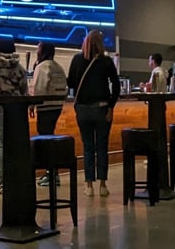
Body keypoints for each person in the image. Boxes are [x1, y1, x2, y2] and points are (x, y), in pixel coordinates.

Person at [67, 28, 120, 196]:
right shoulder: (106, 61)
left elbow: (70, 83)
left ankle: (89, 185)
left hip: (82, 109)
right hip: (102, 108)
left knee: (88, 146)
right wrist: (111, 106)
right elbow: (116, 85)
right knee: (102, 146)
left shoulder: (77, 59)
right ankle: (103, 184)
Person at [0, 38, 28, 193]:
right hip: (17, 111)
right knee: (14, 146)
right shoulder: (20, 69)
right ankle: (14, 181)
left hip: (1, 109)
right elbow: (24, 91)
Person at [30, 41, 68, 137]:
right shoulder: (58, 67)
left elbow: (39, 88)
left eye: (38, 49)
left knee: (43, 134)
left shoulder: (42, 67)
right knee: (50, 132)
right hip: (58, 105)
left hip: (45, 106)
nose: (37, 51)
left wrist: (31, 105)